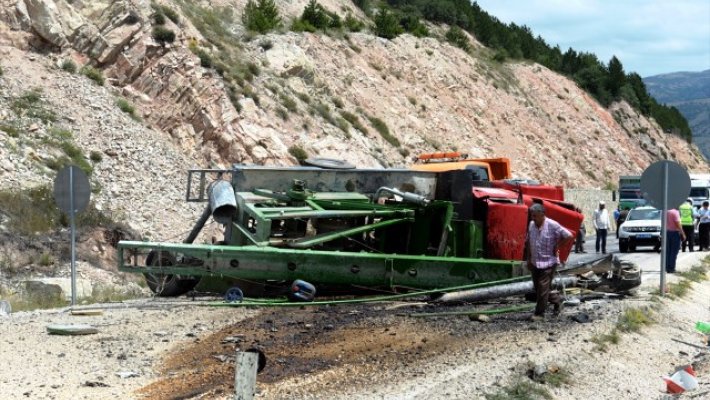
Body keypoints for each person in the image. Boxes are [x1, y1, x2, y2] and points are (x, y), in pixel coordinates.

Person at [526, 203, 573, 321]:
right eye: (532, 215)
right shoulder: (531, 225)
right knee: (539, 290)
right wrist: (528, 259)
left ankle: (539, 314)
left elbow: (568, 235)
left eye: (535, 216)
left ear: (543, 215)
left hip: (549, 263)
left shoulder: (552, 225)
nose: (533, 218)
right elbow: (528, 242)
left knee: (542, 288)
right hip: (535, 262)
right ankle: (558, 300)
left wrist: (557, 245)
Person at [666, 208, 685, 273]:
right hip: (674, 233)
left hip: (666, 232)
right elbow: (678, 224)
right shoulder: (675, 212)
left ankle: (667, 267)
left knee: (668, 251)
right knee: (674, 252)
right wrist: (683, 234)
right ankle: (671, 268)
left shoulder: (665, 211)